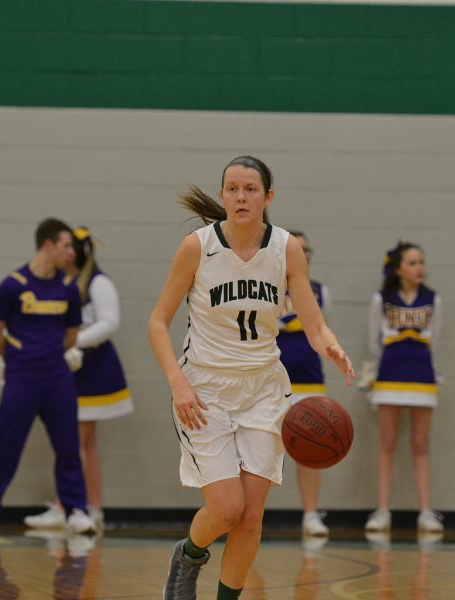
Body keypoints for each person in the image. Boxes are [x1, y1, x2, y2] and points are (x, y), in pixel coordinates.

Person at [148, 156, 354, 600]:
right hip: (204, 392)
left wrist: (330, 345)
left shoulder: (285, 249)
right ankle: (188, 554)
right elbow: (157, 323)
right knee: (226, 510)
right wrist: (178, 384)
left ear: (268, 197)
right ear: (223, 196)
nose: (240, 197)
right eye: (232, 189)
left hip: (263, 390)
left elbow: (314, 325)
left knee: (252, 516)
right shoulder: (197, 247)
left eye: (250, 189)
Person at [0, 218, 94, 535]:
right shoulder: (12, 286)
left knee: (68, 446)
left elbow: (71, 337)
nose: (72, 253)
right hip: (21, 378)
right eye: (66, 246)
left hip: (58, 377)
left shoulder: (68, 289)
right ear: (48, 245)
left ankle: (76, 511)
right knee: (6, 444)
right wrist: (19, 359)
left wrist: (47, 356)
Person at [24, 226, 134, 531]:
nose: (66, 252)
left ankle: (69, 507)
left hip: (93, 368)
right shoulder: (62, 282)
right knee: (83, 444)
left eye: (71, 248)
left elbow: (110, 323)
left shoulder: (98, 282)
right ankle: (90, 508)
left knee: (75, 442)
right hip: (71, 367)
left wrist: (73, 341)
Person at [362, 241, 443, 533]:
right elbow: (374, 342)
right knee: (386, 445)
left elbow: (435, 340)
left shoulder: (433, 299)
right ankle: (383, 510)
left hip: (422, 376)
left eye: (421, 262)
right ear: (397, 269)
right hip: (390, 376)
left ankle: (425, 511)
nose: (419, 268)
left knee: (421, 446)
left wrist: (434, 373)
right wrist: (373, 376)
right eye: (412, 262)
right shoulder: (381, 299)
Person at [276, 231, 332, 538]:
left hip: (309, 379)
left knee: (311, 450)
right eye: (297, 249)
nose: (304, 254)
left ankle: (310, 514)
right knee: (261, 451)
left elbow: (322, 333)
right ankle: (252, 515)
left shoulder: (320, 291)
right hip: (269, 380)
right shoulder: (262, 288)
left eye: (307, 249)